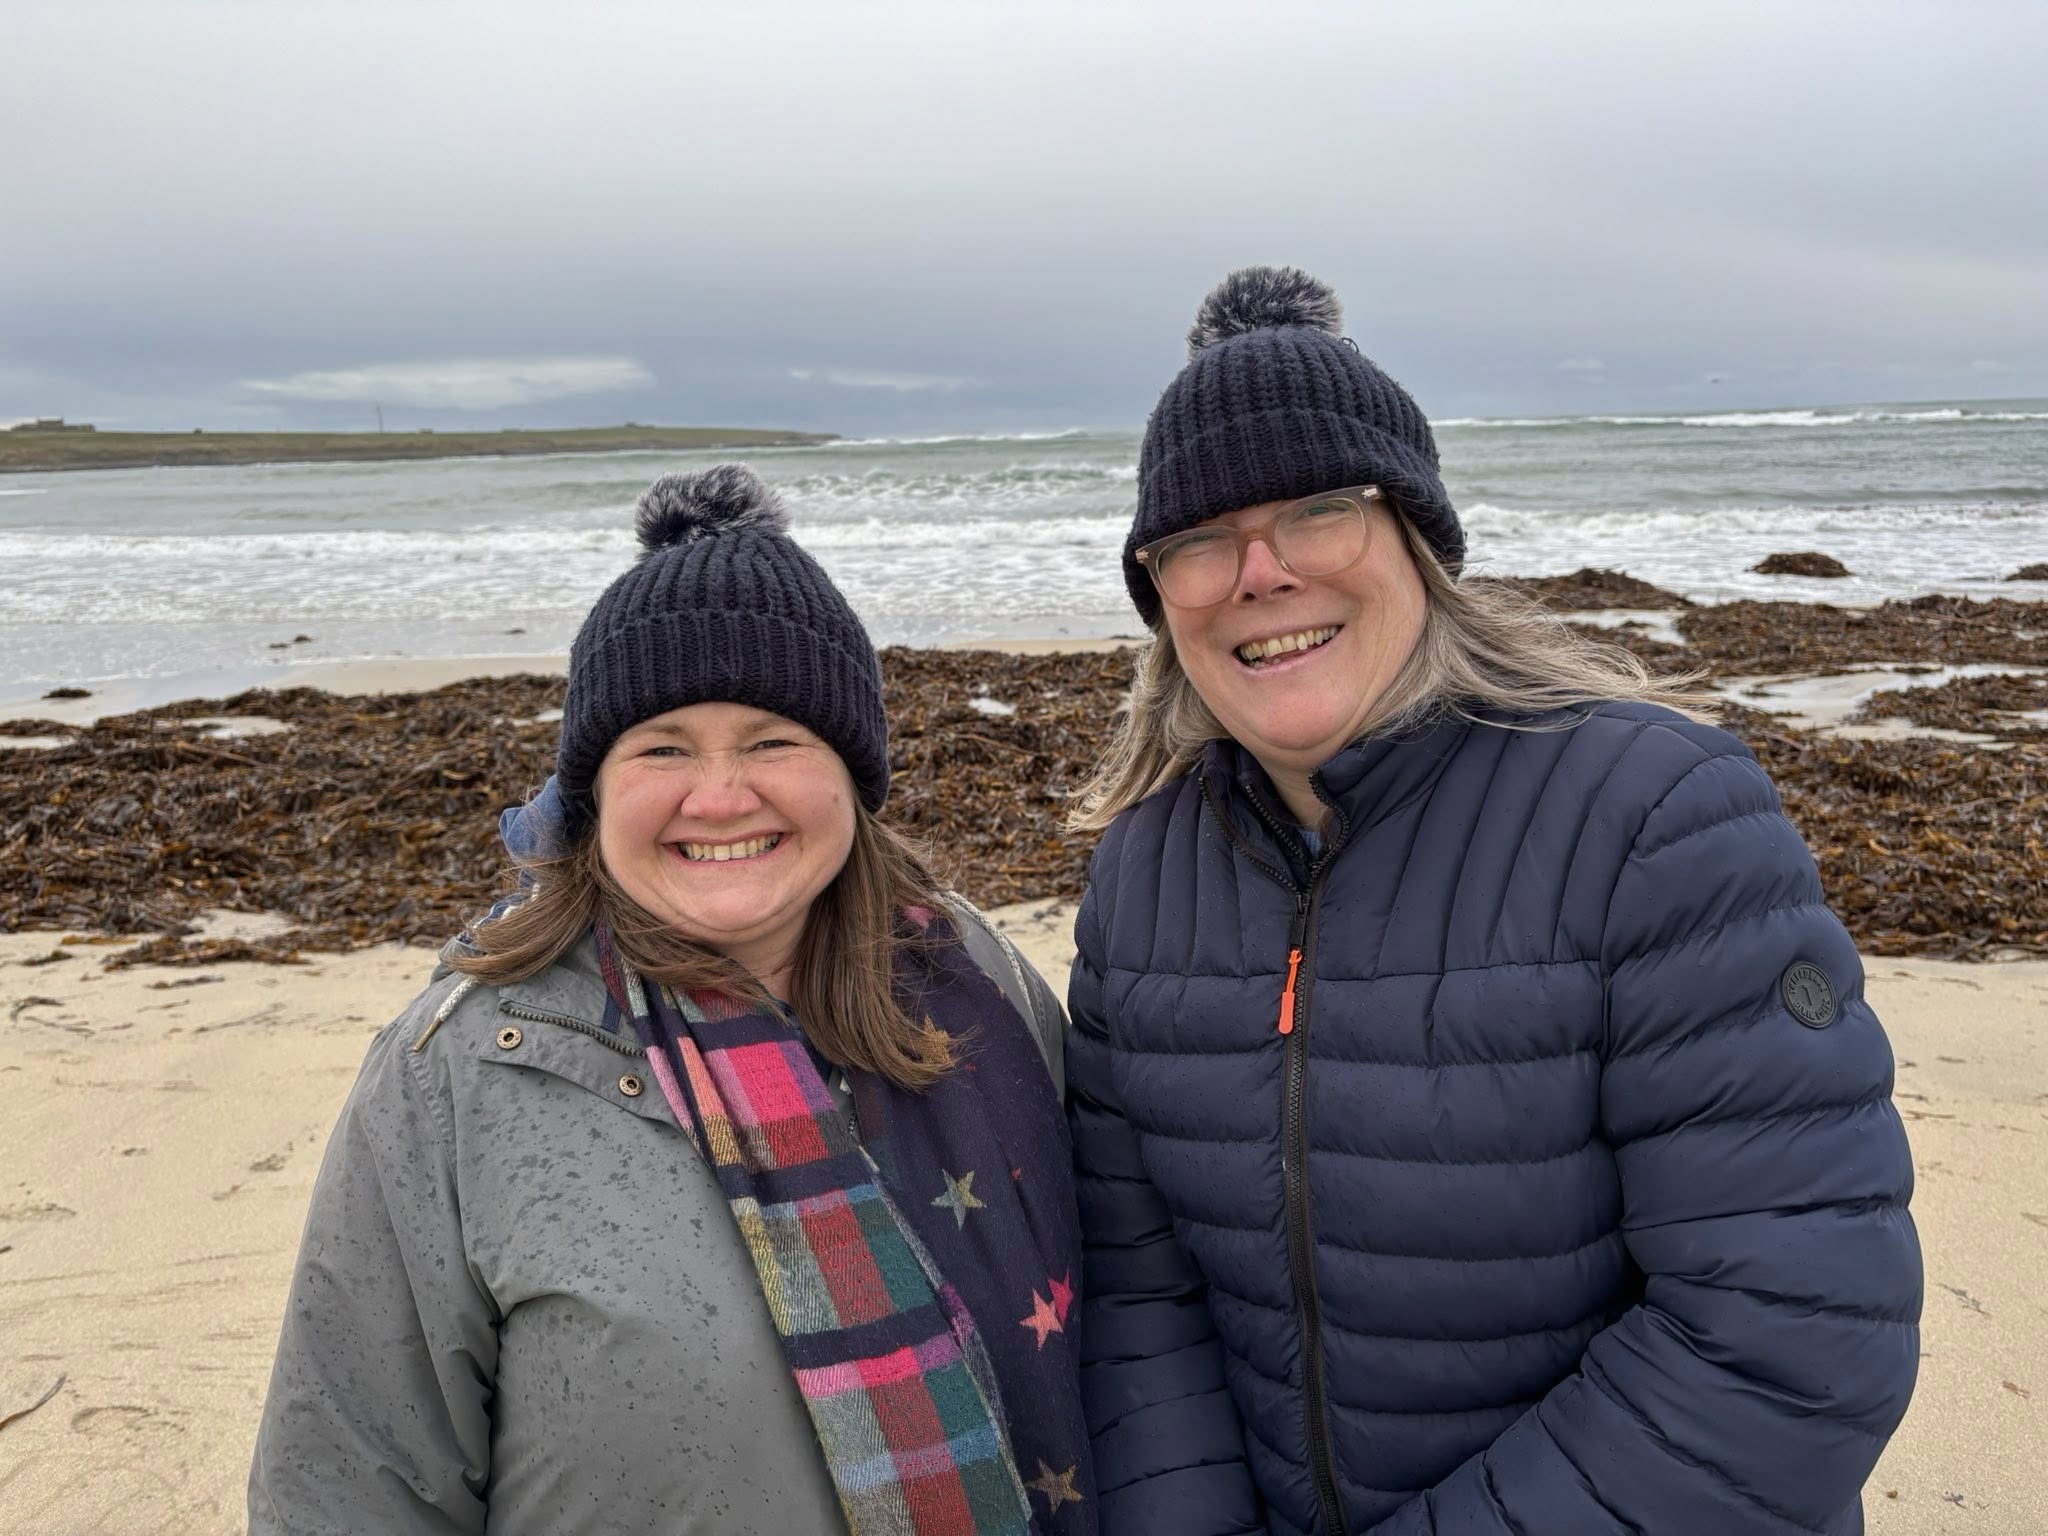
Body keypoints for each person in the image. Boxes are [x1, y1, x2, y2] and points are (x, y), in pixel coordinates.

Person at [1065, 267, 1920, 1535]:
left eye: (1317, 510)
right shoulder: (1140, 877)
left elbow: (1787, 1339)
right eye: (1197, 539)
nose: (1258, 572)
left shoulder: (1650, 813)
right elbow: (1143, 1305)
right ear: (1158, 594)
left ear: (1414, 536)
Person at [252, 465, 1096, 1536]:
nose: (719, 795)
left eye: (771, 741)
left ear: (851, 774)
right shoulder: (456, 1074)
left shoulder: (979, 980)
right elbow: (349, 1490)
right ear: (593, 792)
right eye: (662, 749)